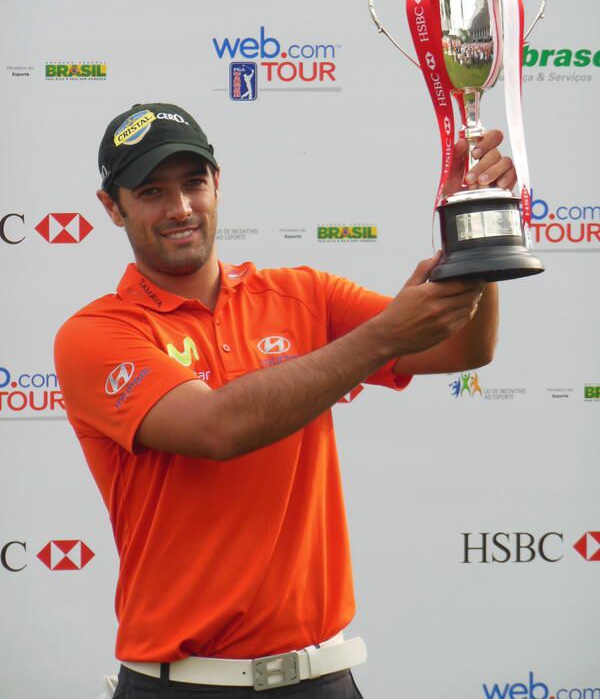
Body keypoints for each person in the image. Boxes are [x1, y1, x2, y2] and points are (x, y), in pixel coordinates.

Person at [54, 102, 516, 698]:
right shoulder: (96, 333)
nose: (181, 209)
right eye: (150, 192)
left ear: (218, 184)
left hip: (322, 677)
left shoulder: (304, 295)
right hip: (181, 684)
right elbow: (215, 429)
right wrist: (380, 337)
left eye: (195, 183)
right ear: (111, 207)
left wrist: (472, 226)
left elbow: (463, 350)